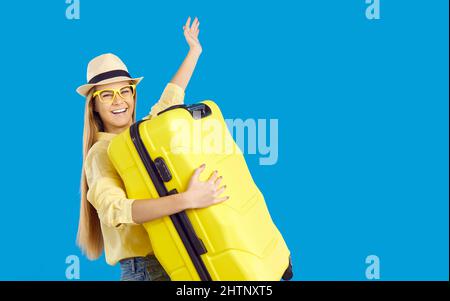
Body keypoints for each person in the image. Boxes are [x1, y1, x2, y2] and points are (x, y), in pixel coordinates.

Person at [75, 17, 229, 281]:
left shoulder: (142, 138)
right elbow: (115, 210)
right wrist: (188, 200)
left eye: (125, 91)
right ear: (94, 106)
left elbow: (169, 102)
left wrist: (194, 52)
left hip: (175, 257)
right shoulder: (100, 153)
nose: (119, 100)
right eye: (107, 95)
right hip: (146, 270)